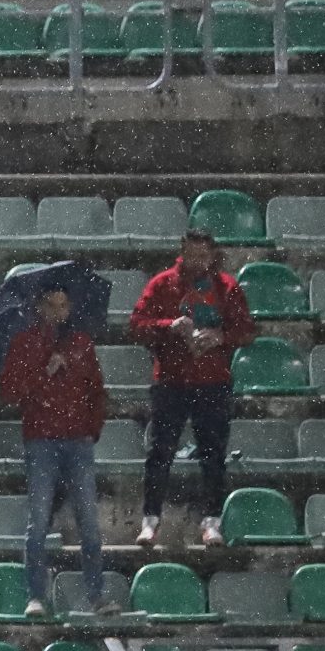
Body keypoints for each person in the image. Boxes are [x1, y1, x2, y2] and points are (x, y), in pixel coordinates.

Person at [133, 228, 255, 551]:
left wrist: (219, 336)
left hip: (213, 382)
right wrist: (168, 327)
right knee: (160, 453)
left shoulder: (226, 287)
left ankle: (212, 522)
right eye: (192, 254)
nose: (198, 261)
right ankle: (150, 520)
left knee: (213, 456)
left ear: (212, 255)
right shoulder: (163, 284)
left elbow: (245, 329)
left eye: (204, 255)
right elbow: (137, 324)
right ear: (182, 252)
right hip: (171, 382)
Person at [0, 282, 109, 617]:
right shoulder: (25, 343)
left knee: (89, 522)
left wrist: (91, 430)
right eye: (51, 305)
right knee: (38, 521)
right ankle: (36, 596)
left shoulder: (81, 344)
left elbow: (97, 391)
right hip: (42, 440)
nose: (57, 313)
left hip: (77, 441)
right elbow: (9, 392)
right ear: (39, 308)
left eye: (63, 306)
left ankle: (96, 595)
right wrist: (42, 371)